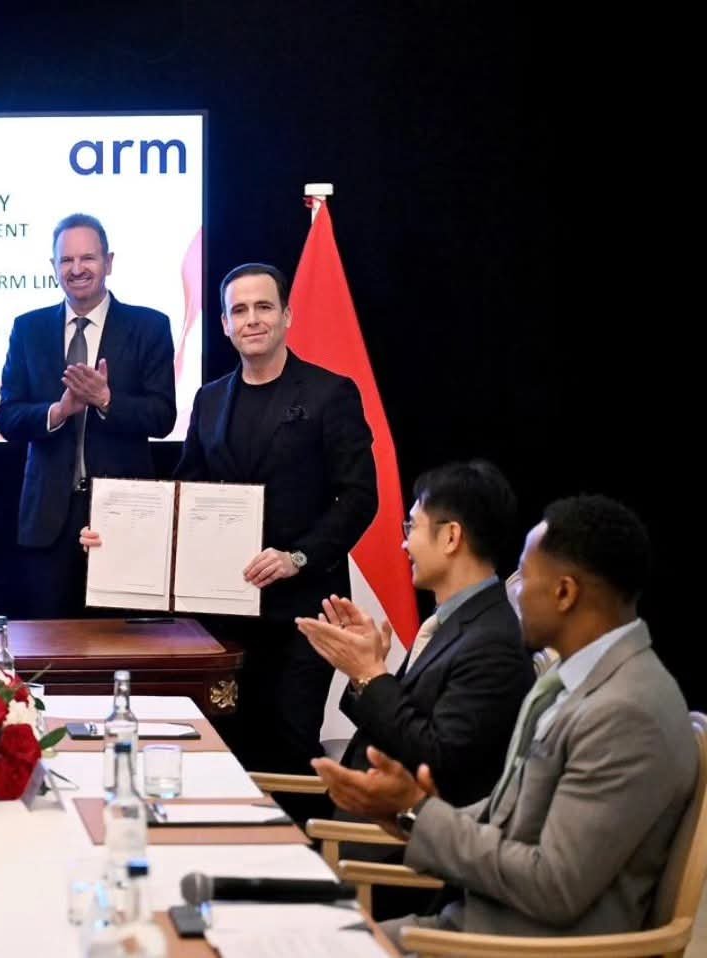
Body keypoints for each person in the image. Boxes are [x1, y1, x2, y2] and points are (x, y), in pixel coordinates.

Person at [313, 495, 697, 943]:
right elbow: (506, 817)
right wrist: (405, 811)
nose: (514, 593)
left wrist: (417, 809)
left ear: (565, 593)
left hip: (510, 947)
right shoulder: (577, 682)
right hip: (472, 926)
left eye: (525, 578)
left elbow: (553, 886)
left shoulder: (626, 713)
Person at [83, 263, 376, 778]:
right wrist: (117, 536)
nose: (252, 319)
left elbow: (359, 497)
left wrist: (298, 557)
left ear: (287, 315)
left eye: (264, 307)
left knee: (290, 745)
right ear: (223, 323)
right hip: (223, 611)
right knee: (229, 743)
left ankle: (293, 833)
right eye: (239, 310)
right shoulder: (210, 398)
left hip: (301, 611)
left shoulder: (331, 394)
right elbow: (183, 496)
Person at [294, 460, 533, 915]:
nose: (404, 543)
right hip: (361, 838)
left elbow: (434, 759)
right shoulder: (453, 623)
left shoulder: (493, 642)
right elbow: (404, 723)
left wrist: (371, 675)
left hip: (399, 864)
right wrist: (369, 668)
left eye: (412, 527)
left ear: (451, 537)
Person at [0, 213, 175, 618]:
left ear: (108, 262)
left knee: (122, 641)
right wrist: (58, 411)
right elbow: (7, 416)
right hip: (48, 519)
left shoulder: (148, 326)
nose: (77, 269)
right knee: (50, 643)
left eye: (88, 258)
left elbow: (163, 416)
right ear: (54, 267)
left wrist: (106, 399)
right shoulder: (28, 329)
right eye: (66, 260)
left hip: (125, 516)